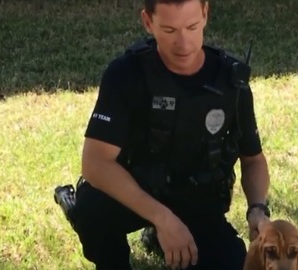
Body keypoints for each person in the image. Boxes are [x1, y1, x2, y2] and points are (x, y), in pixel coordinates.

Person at [67, 0, 271, 269]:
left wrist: (257, 208)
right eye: (169, 30)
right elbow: (95, 163)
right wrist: (163, 218)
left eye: (192, 26)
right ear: (148, 22)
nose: (184, 43)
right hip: (138, 190)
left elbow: (253, 159)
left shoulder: (231, 82)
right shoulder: (125, 75)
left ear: (206, 14)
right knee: (92, 207)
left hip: (198, 201)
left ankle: (160, 238)